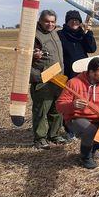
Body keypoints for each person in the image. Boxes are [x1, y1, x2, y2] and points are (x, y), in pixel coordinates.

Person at [56, 57, 99, 169]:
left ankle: (89, 146)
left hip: (97, 119)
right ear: (91, 72)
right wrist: (72, 105)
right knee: (90, 131)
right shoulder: (73, 83)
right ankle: (85, 156)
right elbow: (59, 106)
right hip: (76, 118)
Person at [29, 9, 67, 149]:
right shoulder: (33, 36)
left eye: (53, 22)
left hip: (58, 79)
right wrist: (33, 56)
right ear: (40, 21)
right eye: (47, 21)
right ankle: (40, 139)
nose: (50, 24)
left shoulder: (54, 33)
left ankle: (54, 134)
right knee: (41, 110)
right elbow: (23, 58)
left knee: (57, 109)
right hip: (42, 80)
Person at [58, 10, 97, 79]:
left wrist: (89, 33)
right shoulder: (60, 34)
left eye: (76, 20)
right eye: (71, 20)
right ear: (67, 22)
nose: (74, 22)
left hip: (83, 70)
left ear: (80, 22)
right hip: (67, 72)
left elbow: (92, 49)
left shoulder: (83, 34)